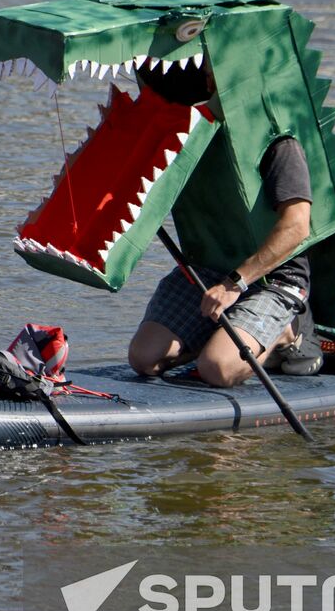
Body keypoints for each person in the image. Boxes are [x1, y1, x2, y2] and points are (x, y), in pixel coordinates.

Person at [127, 58, 323, 387]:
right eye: (205, 76)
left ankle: (289, 332)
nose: (207, 84)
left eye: (214, 75)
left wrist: (235, 284)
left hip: (274, 280)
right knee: (144, 358)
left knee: (216, 368)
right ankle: (226, 334)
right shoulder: (193, 134)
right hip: (209, 269)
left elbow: (297, 227)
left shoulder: (279, 145)